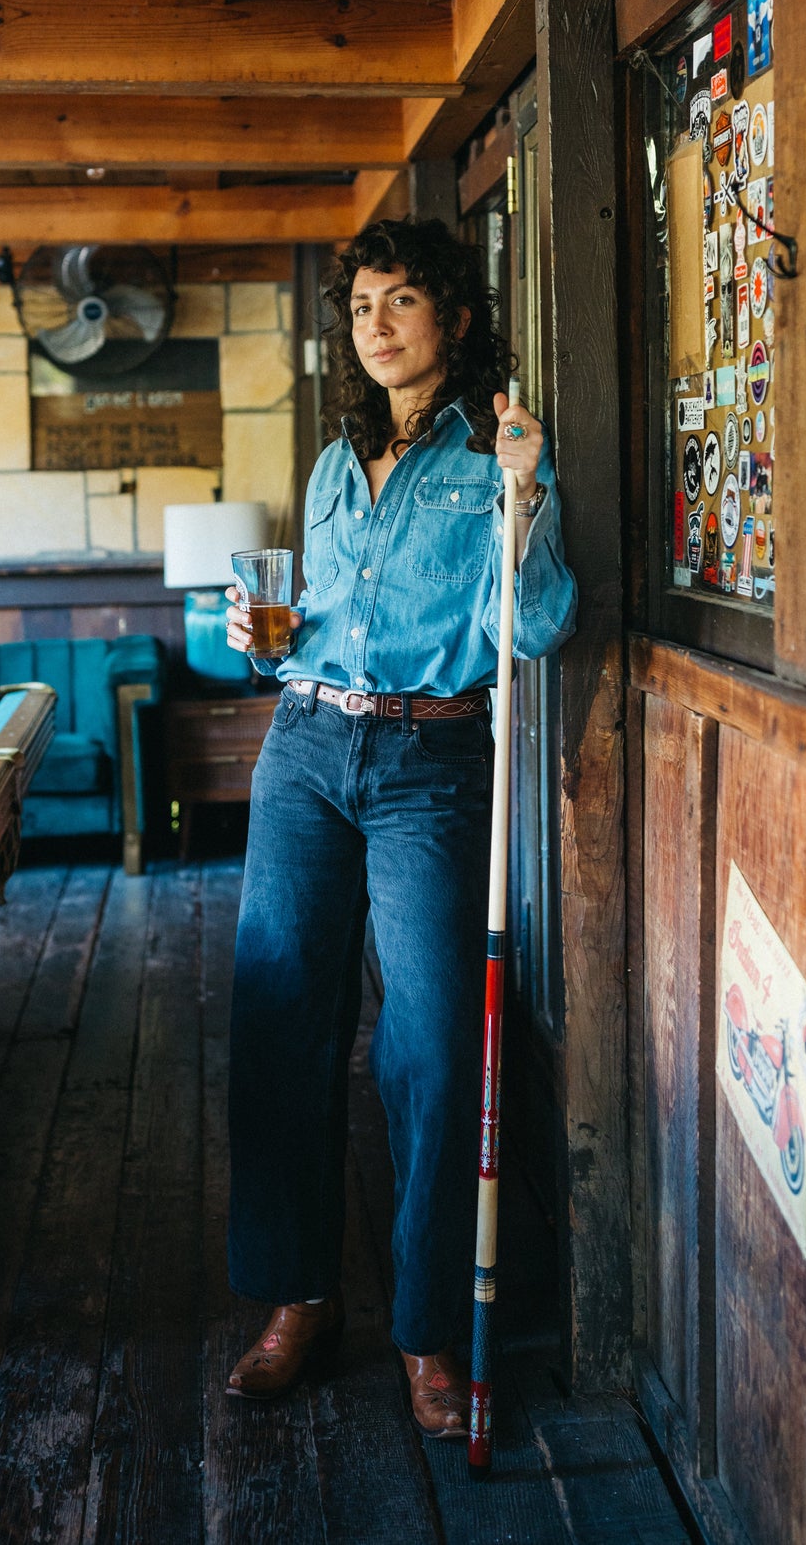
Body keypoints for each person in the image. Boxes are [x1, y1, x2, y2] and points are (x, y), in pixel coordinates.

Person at [223, 215, 577, 1439]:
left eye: (400, 303)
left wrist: (526, 500)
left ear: (456, 321)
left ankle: (427, 1327)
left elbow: (531, 631)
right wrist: (258, 640)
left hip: (430, 757)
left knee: (426, 1043)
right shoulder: (333, 464)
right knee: (279, 1016)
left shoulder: (499, 457)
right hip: (305, 748)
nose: (374, 324)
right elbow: (310, 622)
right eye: (360, 305)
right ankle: (295, 1296)